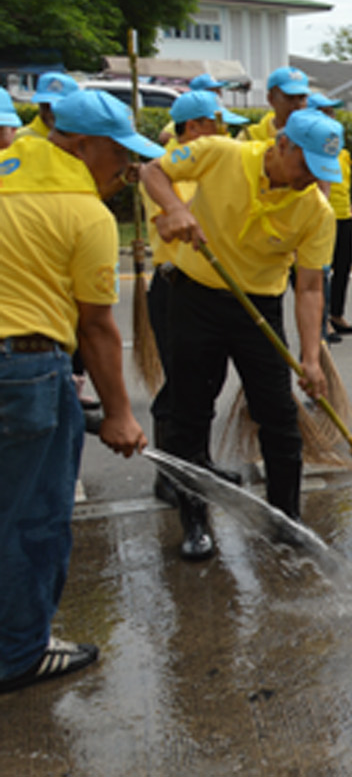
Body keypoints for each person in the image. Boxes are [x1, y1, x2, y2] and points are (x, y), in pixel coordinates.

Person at [0, 90, 151, 695]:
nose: (127, 169)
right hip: (25, 367)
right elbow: (96, 328)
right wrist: (119, 414)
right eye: (120, 155)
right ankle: (19, 653)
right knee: (30, 519)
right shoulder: (84, 212)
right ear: (84, 146)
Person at [143, 107, 341, 559]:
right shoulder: (220, 153)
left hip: (258, 311)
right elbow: (153, 171)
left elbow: (310, 287)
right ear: (281, 144)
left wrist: (311, 358)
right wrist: (175, 208)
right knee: (190, 414)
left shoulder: (316, 209)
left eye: (320, 170)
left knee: (279, 417)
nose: (311, 178)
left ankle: (286, 520)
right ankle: (195, 521)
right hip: (195, 297)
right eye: (305, 165)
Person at [143, 91, 247, 504]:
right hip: (175, 285)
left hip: (209, 287)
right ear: (194, 127)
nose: (222, 133)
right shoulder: (166, 168)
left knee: (207, 383)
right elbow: (172, 222)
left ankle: (198, 461)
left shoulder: (210, 165)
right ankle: (169, 472)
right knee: (179, 387)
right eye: (215, 125)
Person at [308, 92, 352, 340]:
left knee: (343, 267)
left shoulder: (340, 150)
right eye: (325, 112)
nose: (331, 116)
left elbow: (343, 185)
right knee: (322, 271)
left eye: (332, 112)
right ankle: (323, 320)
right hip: (322, 216)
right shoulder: (311, 149)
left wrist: (350, 209)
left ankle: (337, 314)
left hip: (342, 215)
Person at [244, 66, 311, 143]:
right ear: (271, 99)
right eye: (290, 97)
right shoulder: (250, 137)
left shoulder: (314, 136)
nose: (298, 105)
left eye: (302, 98)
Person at [19, 72, 79, 140]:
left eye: (58, 107)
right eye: (45, 106)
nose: (50, 113)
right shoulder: (21, 137)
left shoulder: (82, 137)